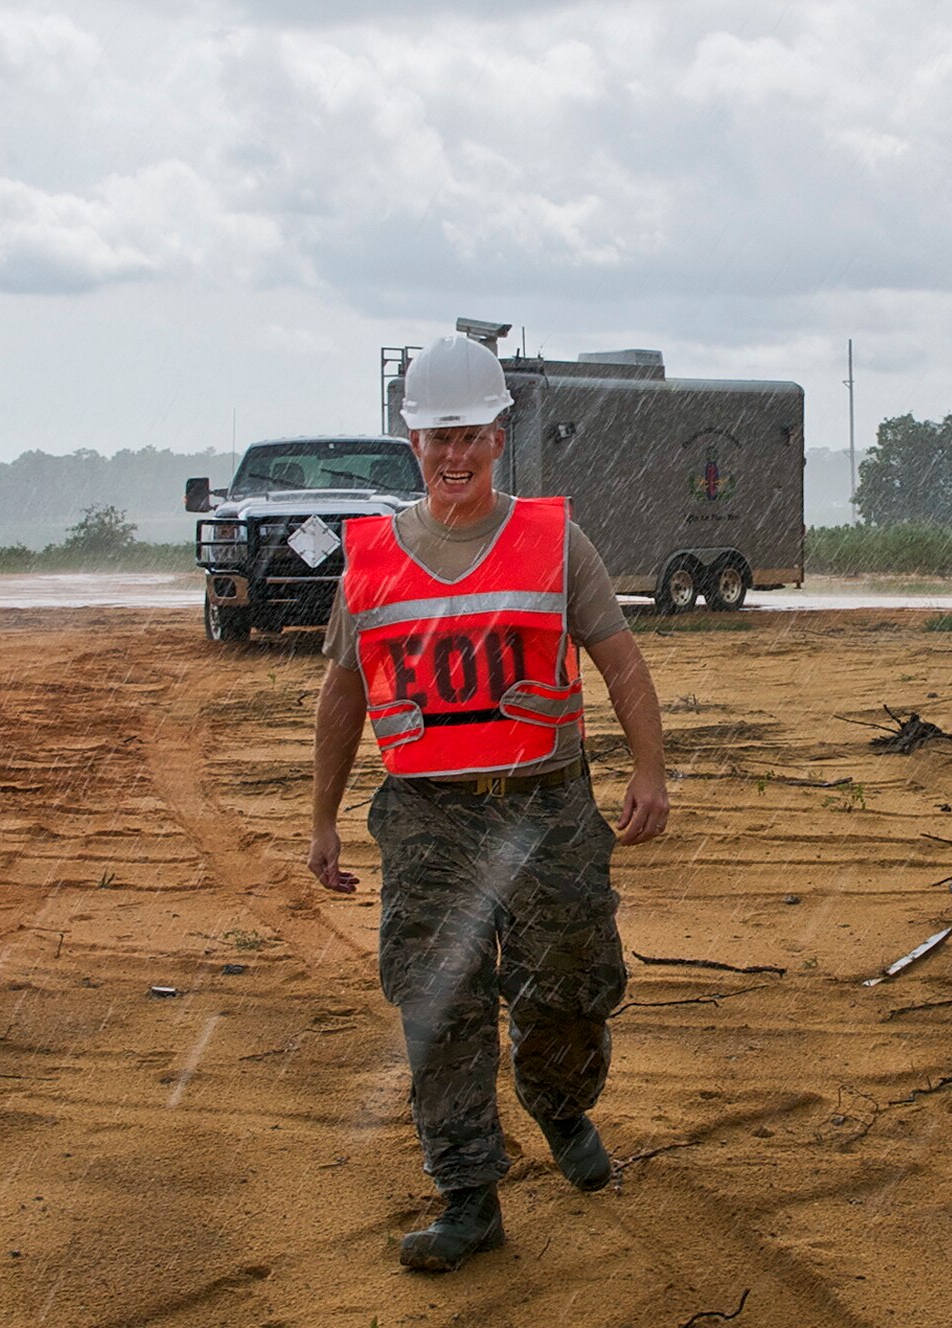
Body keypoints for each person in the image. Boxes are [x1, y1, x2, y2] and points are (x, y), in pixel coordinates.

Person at [306, 333, 669, 1273]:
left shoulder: (554, 542)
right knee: (439, 1003)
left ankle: (558, 1103)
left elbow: (619, 660)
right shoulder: (374, 559)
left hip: (546, 806)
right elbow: (344, 695)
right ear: (412, 443)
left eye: (470, 435)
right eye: (438, 438)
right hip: (427, 817)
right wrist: (322, 818)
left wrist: (649, 770)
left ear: (500, 436)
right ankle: (468, 1194)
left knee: (573, 989)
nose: (455, 455)